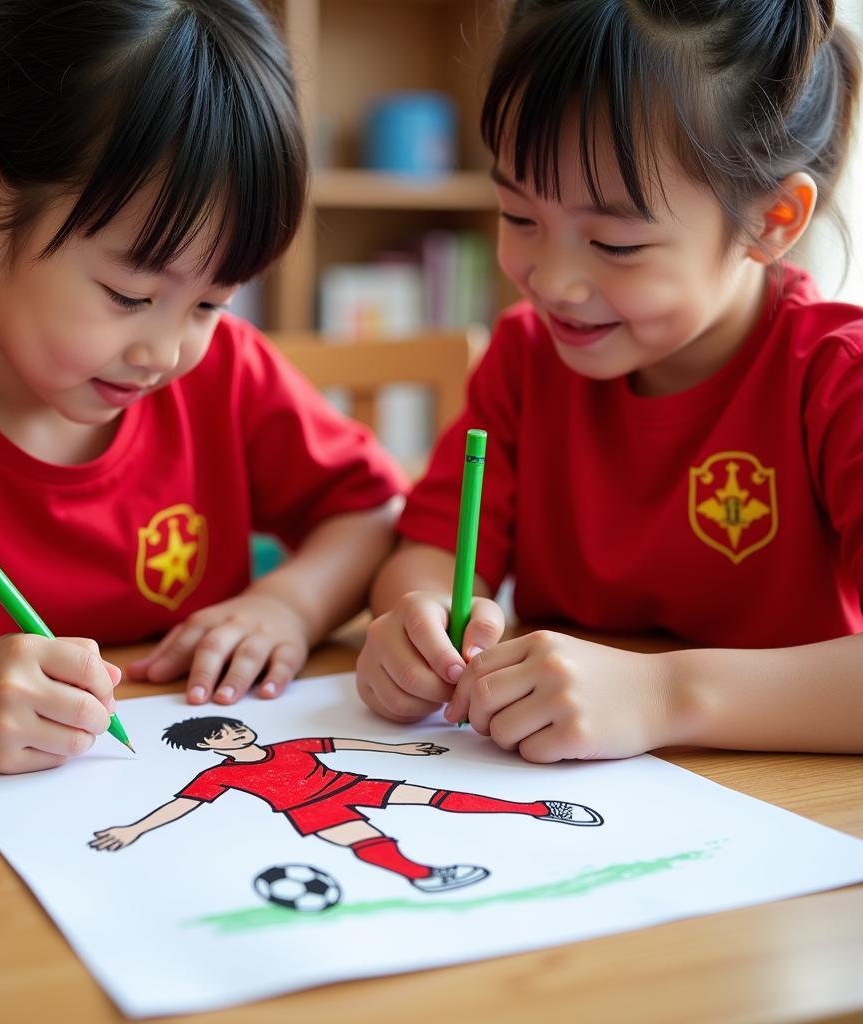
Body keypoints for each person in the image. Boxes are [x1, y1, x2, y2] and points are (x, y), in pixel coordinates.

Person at [0, 0, 406, 774]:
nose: (165, 350)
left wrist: (289, 605)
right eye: (129, 295)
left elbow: (372, 511)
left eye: (211, 301)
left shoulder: (226, 372)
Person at [356, 0, 863, 760]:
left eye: (615, 243)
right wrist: (415, 618)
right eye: (519, 216)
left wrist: (665, 697)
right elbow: (429, 549)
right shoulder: (527, 358)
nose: (554, 282)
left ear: (772, 220)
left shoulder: (835, 379)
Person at [89, 717, 602, 893]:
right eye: (222, 734)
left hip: (349, 784)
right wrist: (134, 829)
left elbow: (347, 744)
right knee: (368, 843)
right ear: (208, 746)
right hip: (309, 812)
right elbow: (182, 806)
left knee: (437, 798)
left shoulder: (292, 746)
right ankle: (424, 876)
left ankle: (537, 810)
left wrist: (401, 750)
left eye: (236, 725)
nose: (236, 732)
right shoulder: (218, 774)